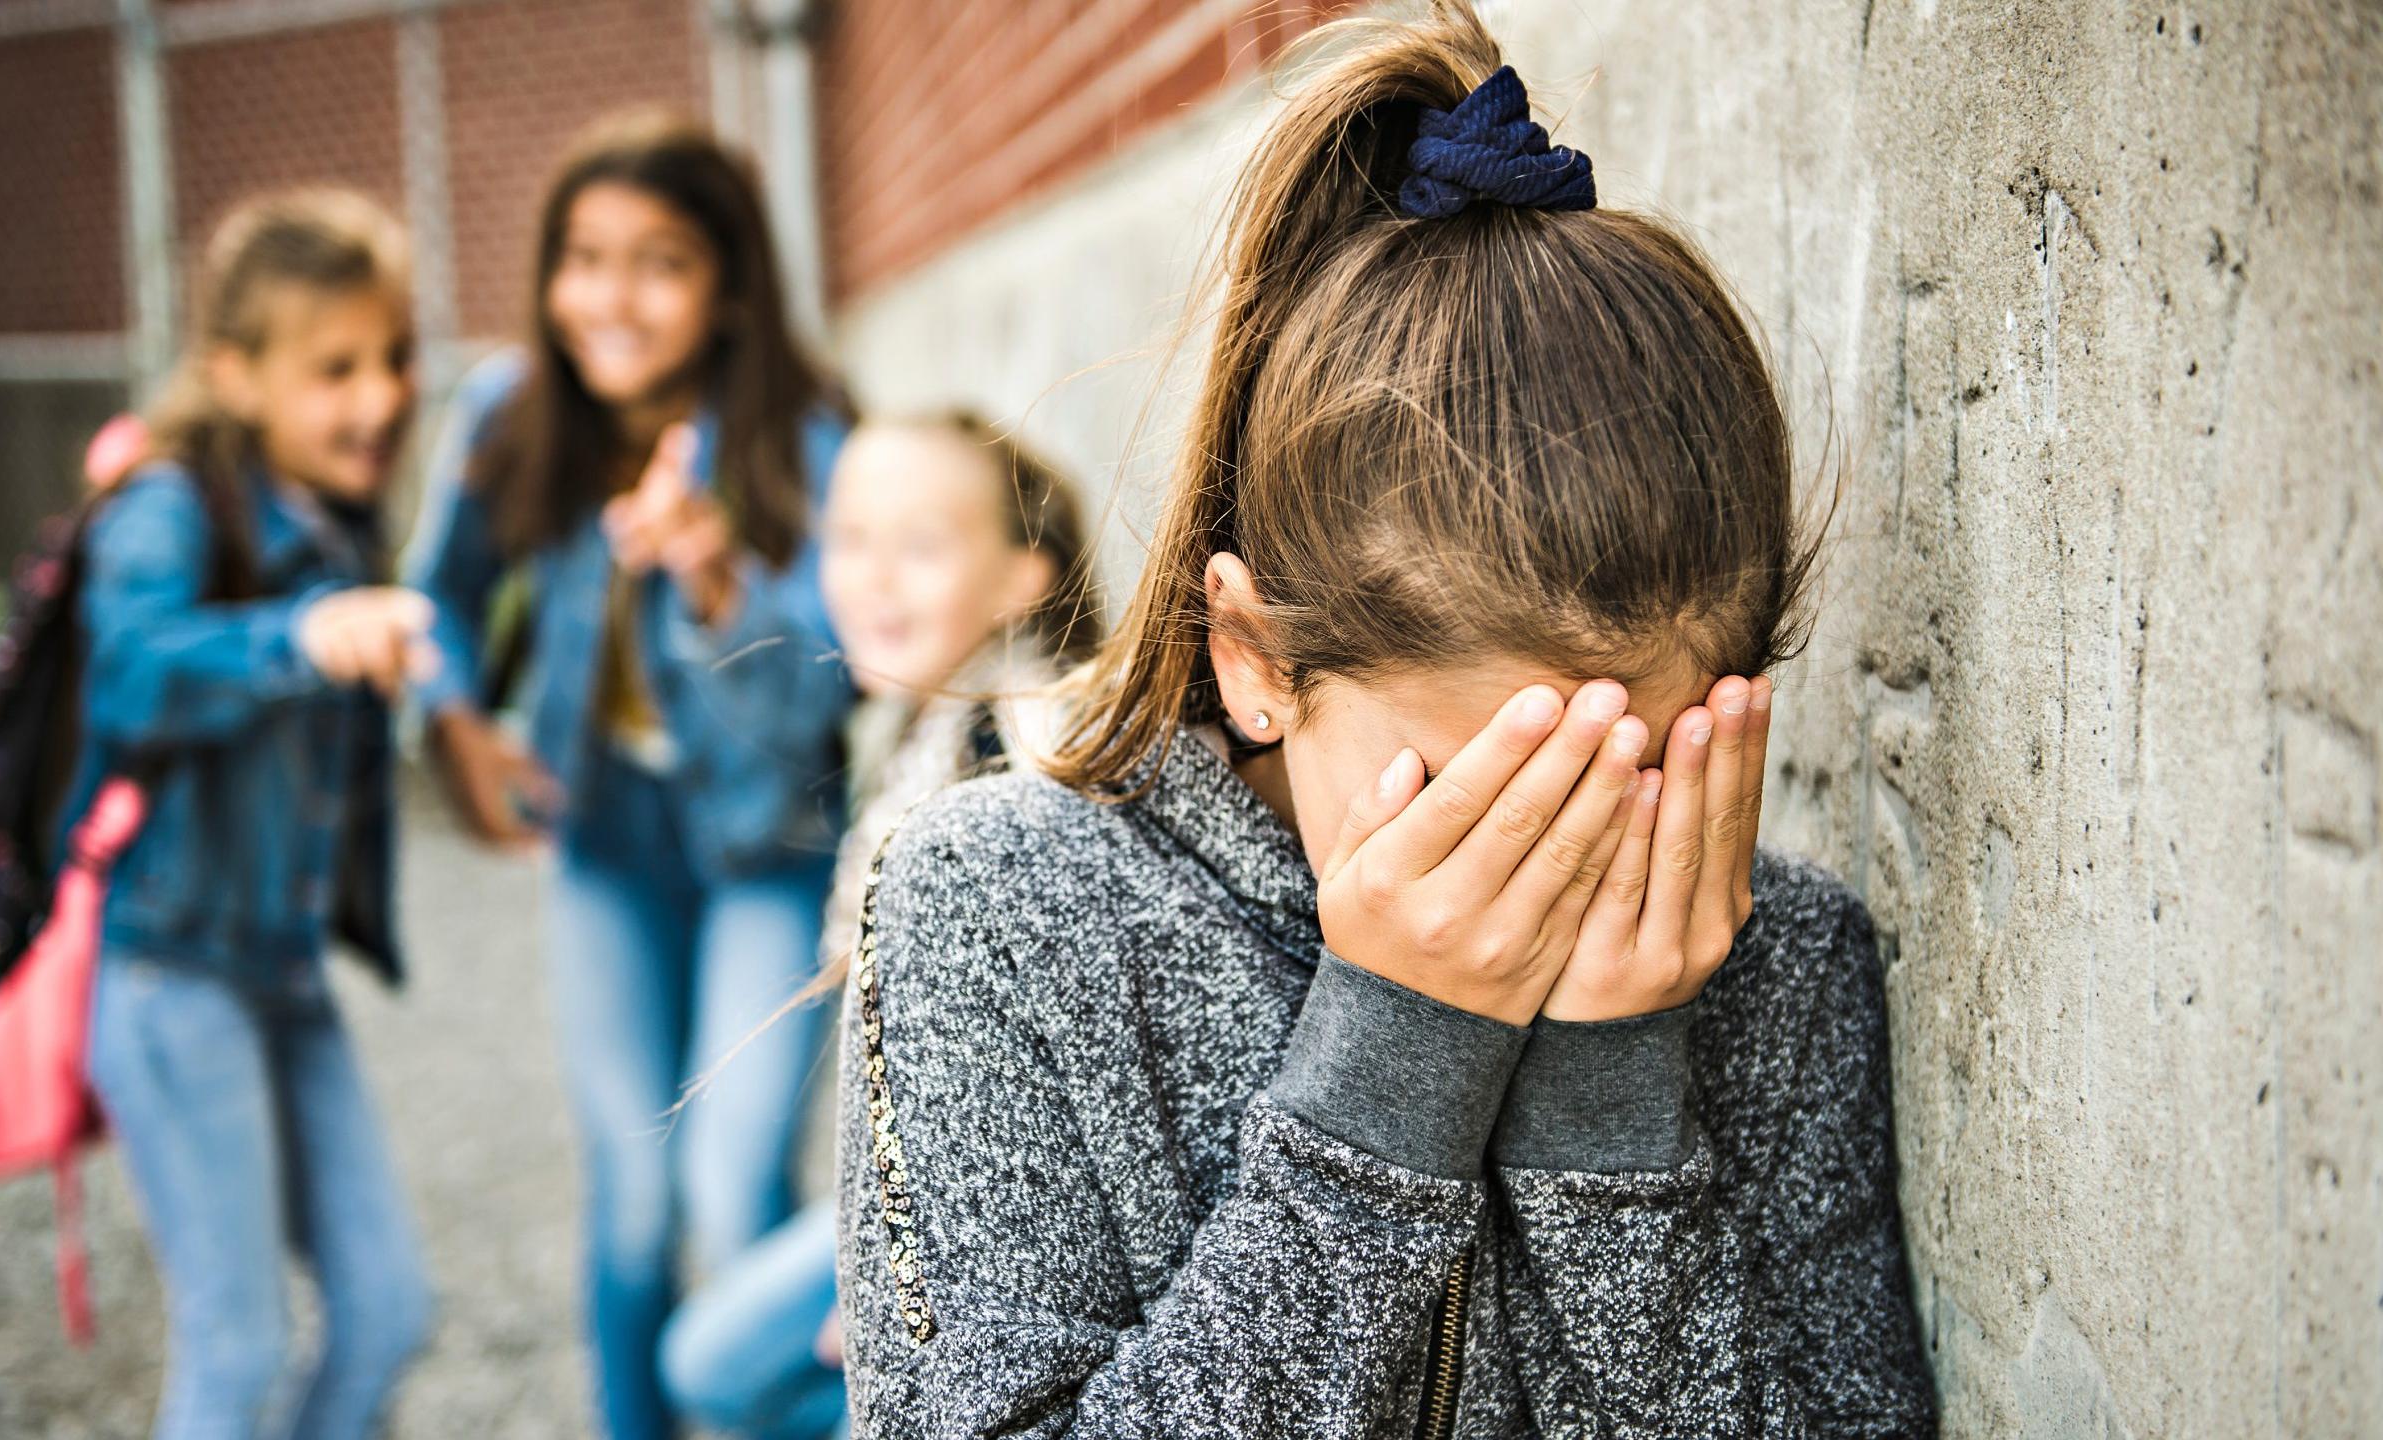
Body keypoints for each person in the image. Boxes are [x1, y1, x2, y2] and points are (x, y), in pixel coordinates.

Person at [833, 6, 1938, 1436]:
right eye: (1475, 798)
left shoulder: (1777, 970)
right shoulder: (998, 910)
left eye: (1625, 781)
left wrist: (1615, 1111)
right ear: (1254, 662)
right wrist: (1388, 1082)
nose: (1541, 870)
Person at [403, 108, 851, 1440]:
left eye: (659, 261)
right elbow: (435, 603)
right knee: (638, 1201)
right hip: (607, 843)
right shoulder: (508, 414)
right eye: (584, 258)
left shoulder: (803, 435)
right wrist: (454, 722)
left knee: (731, 1184)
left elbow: (838, 689)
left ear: (725, 289)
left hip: (771, 843)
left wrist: (719, 579)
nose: (612, 297)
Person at [662, 412, 1101, 1439]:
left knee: (724, 1374)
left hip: (988, 1227)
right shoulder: (926, 725)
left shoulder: (1027, 751)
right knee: (708, 1362)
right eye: (849, 539)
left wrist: (899, 1287)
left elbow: (1028, 1074)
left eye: (921, 545)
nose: (872, 578)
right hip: (919, 1196)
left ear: (1018, 580)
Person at [78, 189, 437, 1440]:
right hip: (171, 978)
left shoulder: (339, 521)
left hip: (283, 977)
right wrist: (299, 634)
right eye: (334, 368)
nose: (380, 397)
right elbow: (126, 673)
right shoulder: (170, 504)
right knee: (236, 1348)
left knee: (390, 1311)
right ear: (235, 376)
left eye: (393, 359)